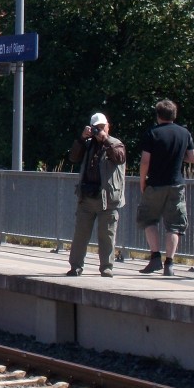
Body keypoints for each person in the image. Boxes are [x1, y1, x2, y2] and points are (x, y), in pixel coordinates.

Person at [136, 99, 194, 277]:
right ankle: (169, 264)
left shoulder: (152, 133)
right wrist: (178, 158)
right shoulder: (184, 133)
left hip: (155, 184)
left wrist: (142, 181)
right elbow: (193, 158)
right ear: (174, 115)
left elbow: (145, 161)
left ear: (158, 115)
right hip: (176, 184)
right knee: (174, 225)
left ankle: (155, 257)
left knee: (148, 219)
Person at [67, 112, 126, 277]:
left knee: (107, 235)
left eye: (102, 127)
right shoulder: (87, 144)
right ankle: (76, 266)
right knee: (80, 234)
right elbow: (73, 157)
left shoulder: (115, 143)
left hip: (107, 199)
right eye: (96, 128)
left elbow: (120, 158)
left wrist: (105, 139)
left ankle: (106, 267)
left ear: (108, 126)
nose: (100, 130)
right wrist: (81, 139)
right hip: (86, 197)